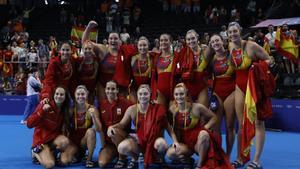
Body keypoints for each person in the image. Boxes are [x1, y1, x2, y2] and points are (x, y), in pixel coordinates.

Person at [227, 22, 273, 169]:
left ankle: (256, 160)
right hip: (240, 87)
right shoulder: (230, 46)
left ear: (240, 31)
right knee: (241, 125)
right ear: (228, 35)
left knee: (258, 123)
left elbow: (269, 60)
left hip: (254, 88)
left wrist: (256, 67)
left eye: (235, 31)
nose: (233, 34)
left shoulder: (251, 46)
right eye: (230, 32)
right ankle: (241, 158)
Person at [108, 84, 179, 169]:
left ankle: (160, 158)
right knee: (122, 147)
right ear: (137, 95)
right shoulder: (132, 109)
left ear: (150, 95)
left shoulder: (158, 108)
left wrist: (175, 141)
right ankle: (136, 158)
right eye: (140, 94)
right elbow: (122, 125)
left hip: (154, 142)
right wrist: (111, 127)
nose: (143, 96)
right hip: (140, 142)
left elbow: (169, 129)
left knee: (162, 144)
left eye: (145, 94)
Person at [167, 83, 233, 169]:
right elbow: (169, 127)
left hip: (198, 142)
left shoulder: (196, 107)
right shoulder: (172, 109)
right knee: (170, 154)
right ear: (174, 95)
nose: (179, 97)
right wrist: (175, 141)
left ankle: (199, 165)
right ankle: (188, 160)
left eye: (181, 94)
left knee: (204, 134)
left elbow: (214, 117)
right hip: (185, 144)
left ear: (186, 94)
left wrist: (205, 127)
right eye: (176, 94)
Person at [82, 20, 137, 100]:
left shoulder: (125, 52)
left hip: (120, 87)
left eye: (115, 39)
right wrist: (88, 28)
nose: (113, 40)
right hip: (103, 86)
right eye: (111, 38)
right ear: (108, 40)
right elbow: (85, 43)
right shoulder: (102, 50)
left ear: (119, 41)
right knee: (104, 109)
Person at [27, 86, 72, 168]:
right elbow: (29, 124)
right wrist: (42, 111)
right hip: (41, 141)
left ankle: (50, 153)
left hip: (52, 139)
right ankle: (35, 152)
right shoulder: (44, 104)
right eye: (57, 94)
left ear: (65, 97)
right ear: (53, 95)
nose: (59, 96)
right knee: (50, 165)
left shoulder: (65, 110)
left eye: (62, 94)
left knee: (65, 142)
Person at [209, 34, 236, 156]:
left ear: (222, 41)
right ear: (211, 44)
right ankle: (218, 154)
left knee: (229, 125)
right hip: (217, 93)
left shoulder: (231, 54)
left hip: (231, 92)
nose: (215, 43)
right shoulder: (211, 59)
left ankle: (228, 155)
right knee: (215, 126)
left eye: (217, 40)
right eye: (213, 41)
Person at [63, 85, 102, 168]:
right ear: (75, 95)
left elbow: (99, 129)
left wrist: (93, 117)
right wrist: (64, 146)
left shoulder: (92, 109)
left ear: (87, 94)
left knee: (91, 131)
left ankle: (89, 159)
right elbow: (64, 126)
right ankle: (78, 154)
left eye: (83, 94)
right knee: (65, 161)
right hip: (72, 141)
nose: (80, 96)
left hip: (84, 141)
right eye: (78, 94)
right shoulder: (71, 109)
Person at [98, 80, 133, 168]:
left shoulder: (126, 103)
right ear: (105, 90)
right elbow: (101, 128)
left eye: (113, 89)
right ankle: (115, 154)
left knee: (114, 131)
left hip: (123, 137)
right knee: (102, 163)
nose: (110, 91)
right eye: (108, 89)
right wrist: (103, 146)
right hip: (110, 142)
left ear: (117, 90)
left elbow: (138, 111)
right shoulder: (101, 105)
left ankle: (122, 158)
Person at [175, 30, 209, 106]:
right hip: (188, 87)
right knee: (190, 115)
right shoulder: (183, 53)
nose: (191, 41)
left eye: (193, 38)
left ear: (197, 38)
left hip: (202, 86)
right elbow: (178, 69)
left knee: (202, 113)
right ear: (186, 41)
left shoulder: (205, 50)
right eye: (188, 39)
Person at [151, 33, 178, 106]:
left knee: (173, 115)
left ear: (170, 41)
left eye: (166, 40)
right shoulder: (156, 57)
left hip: (175, 91)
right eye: (161, 40)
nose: (163, 42)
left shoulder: (177, 56)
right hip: (160, 92)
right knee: (161, 115)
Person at [129, 36, 153, 102]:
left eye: (145, 45)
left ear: (148, 46)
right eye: (140, 45)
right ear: (137, 46)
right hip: (134, 88)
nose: (142, 47)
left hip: (149, 88)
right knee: (134, 107)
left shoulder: (153, 57)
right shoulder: (132, 58)